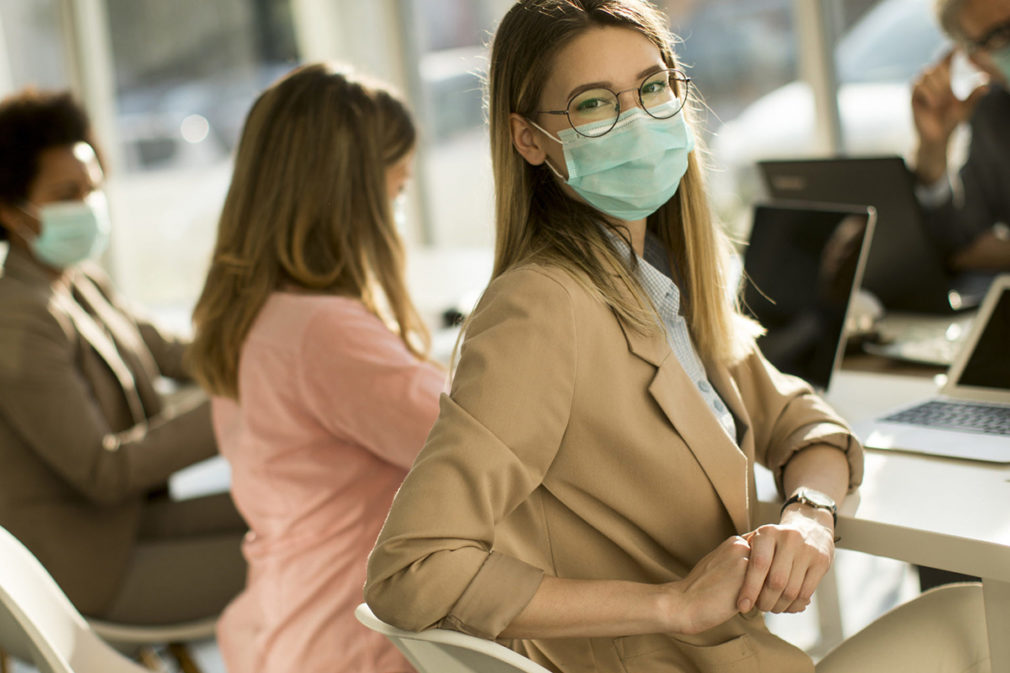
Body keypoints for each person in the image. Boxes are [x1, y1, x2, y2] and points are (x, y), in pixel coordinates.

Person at [364, 2, 990, 672]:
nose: (638, 120)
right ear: (528, 139)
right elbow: (411, 569)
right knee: (977, 616)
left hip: (745, 656)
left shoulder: (664, 279)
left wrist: (810, 513)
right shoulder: (538, 309)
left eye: (653, 87)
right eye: (594, 104)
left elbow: (805, 421)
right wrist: (669, 603)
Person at [188, 63, 444, 673]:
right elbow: (482, 443)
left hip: (293, 623)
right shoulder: (323, 334)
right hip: (355, 644)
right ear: (353, 196)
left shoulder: (258, 317)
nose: (398, 212)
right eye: (398, 190)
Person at [0, 89, 246, 624]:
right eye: (69, 193)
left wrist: (269, 352)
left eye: (93, 188)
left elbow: (175, 353)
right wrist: (237, 410)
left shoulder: (79, 281)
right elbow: (103, 471)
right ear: (13, 214)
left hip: (129, 526)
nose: (89, 205)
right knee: (318, 558)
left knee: (321, 516)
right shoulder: (19, 320)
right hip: (84, 569)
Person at [912, 0, 1010, 270]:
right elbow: (960, 245)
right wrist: (933, 149)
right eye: (1001, 34)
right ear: (977, 60)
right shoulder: (993, 115)